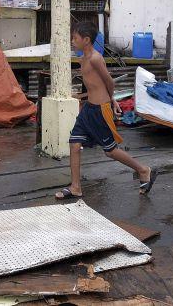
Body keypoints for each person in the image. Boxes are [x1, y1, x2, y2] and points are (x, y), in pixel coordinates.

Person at [55, 22, 157, 200]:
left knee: (110, 151)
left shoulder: (95, 58)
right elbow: (95, 84)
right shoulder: (83, 58)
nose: (72, 41)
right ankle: (75, 187)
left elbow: (109, 82)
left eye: (75, 38)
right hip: (88, 110)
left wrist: (112, 100)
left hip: (100, 111)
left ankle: (143, 170)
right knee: (74, 144)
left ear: (86, 40)